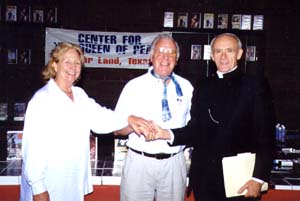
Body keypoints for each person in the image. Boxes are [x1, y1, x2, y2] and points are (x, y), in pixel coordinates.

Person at [20, 42, 153, 201]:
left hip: (71, 183)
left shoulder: (79, 95)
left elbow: (102, 118)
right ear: (55, 65)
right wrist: (38, 187)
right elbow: (33, 149)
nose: (73, 67)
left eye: (77, 63)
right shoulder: (42, 100)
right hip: (48, 184)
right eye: (67, 62)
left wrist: (129, 119)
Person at [154, 33, 276, 201]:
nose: (223, 56)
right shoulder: (203, 85)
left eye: (229, 51)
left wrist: (258, 177)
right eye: (218, 51)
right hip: (204, 179)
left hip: (239, 180)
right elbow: (196, 128)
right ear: (212, 56)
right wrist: (167, 133)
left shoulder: (254, 85)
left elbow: (266, 135)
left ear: (239, 54)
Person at [114, 33, 194, 201]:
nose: (165, 57)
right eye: (161, 51)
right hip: (139, 163)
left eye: (171, 53)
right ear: (151, 57)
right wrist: (134, 125)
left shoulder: (187, 88)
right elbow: (116, 130)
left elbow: (193, 129)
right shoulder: (133, 86)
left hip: (174, 163)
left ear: (176, 60)